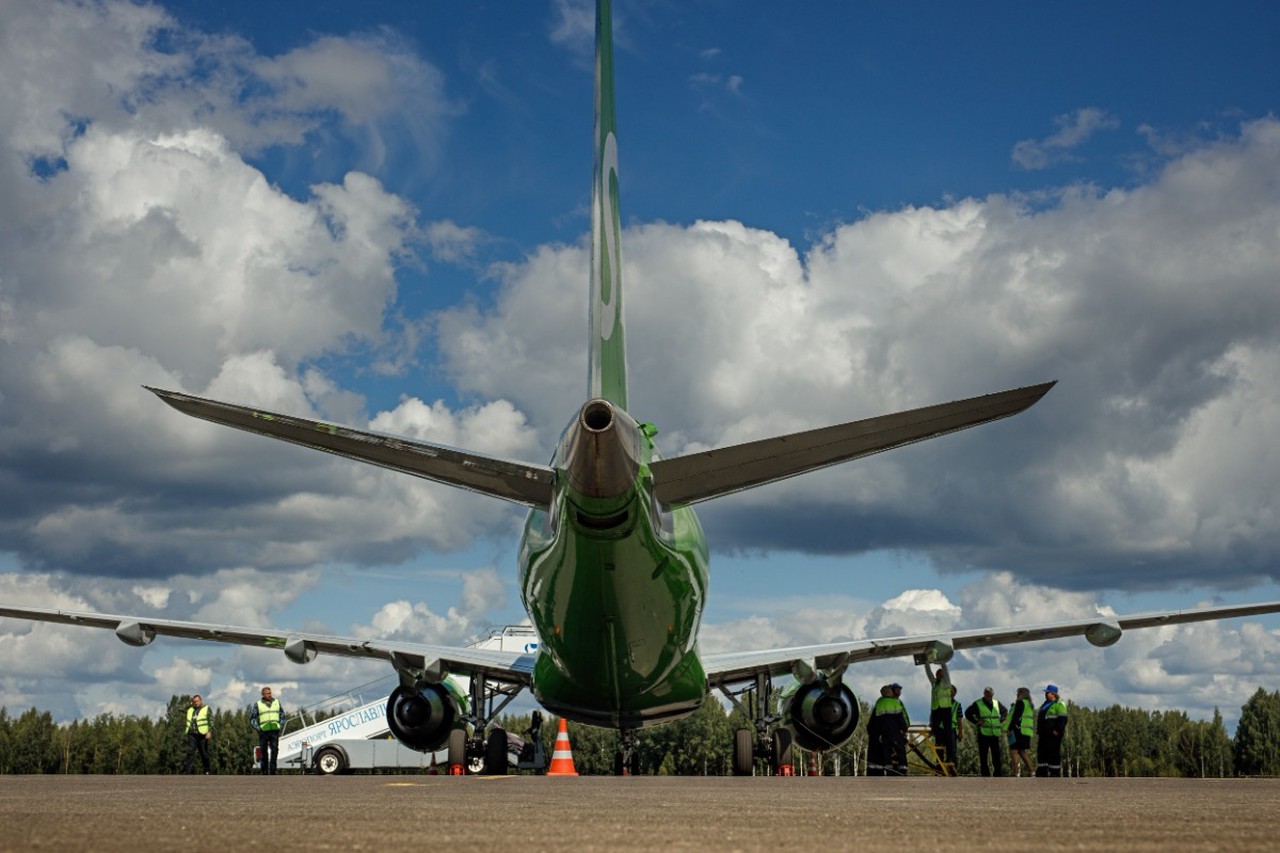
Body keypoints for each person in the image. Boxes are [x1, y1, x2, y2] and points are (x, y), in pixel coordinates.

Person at [965, 686, 1008, 777]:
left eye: (990, 695)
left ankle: (998, 773)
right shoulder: (978, 704)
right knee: (983, 755)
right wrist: (977, 721)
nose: (989, 697)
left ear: (993, 695)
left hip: (994, 733)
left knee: (996, 754)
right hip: (983, 732)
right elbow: (968, 713)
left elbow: (1005, 711)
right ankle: (985, 773)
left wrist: (1001, 720)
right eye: (987, 695)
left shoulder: (996, 703)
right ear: (984, 694)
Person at [867, 684, 910, 776]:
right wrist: (904, 728)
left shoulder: (879, 703)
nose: (893, 692)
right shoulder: (894, 702)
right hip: (894, 732)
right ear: (887, 692)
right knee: (900, 751)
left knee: (886, 752)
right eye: (891, 690)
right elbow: (900, 718)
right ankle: (902, 770)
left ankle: (889, 770)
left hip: (883, 733)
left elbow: (876, 721)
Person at [924, 662, 957, 769]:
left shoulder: (946, 682)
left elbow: (946, 672)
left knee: (948, 732)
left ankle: (950, 756)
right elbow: (929, 674)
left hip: (945, 708)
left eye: (939, 672)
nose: (937, 674)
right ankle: (940, 754)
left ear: (942, 674)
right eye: (937, 672)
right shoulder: (934, 683)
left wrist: (942, 662)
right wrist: (926, 663)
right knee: (935, 729)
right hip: (935, 709)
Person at [1036, 684, 1068, 777]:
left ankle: (1054, 773)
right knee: (1042, 753)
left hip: (1053, 735)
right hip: (1043, 734)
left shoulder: (1059, 704)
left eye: (1047, 692)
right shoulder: (1045, 704)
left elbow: (1063, 719)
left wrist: (1057, 730)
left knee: (1053, 754)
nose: (1046, 694)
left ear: (1053, 694)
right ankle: (1042, 772)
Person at [250, 686, 284, 775]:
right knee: (263, 751)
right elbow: (252, 718)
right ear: (263, 694)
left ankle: (273, 771)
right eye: (268, 693)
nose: (270, 695)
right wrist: (258, 728)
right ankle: (264, 771)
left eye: (270, 693)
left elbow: (282, 715)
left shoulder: (277, 702)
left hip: (274, 730)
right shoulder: (258, 704)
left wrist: (280, 725)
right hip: (263, 731)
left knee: (274, 750)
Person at [1007, 686, 1036, 777]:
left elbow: (1016, 717)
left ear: (1022, 694)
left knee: (1013, 751)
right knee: (1022, 752)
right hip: (1026, 732)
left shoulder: (1020, 703)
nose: (1017, 694)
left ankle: (1016, 772)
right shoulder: (1029, 705)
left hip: (1018, 731)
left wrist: (1009, 729)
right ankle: (1032, 771)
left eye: (1018, 693)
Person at [182, 694, 212, 774]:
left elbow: (210, 721)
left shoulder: (206, 709)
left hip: (202, 734)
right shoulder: (190, 710)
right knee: (190, 752)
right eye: (194, 701)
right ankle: (187, 771)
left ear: (201, 701)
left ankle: (207, 770)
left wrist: (209, 731)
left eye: (197, 701)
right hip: (192, 734)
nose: (196, 703)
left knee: (204, 753)